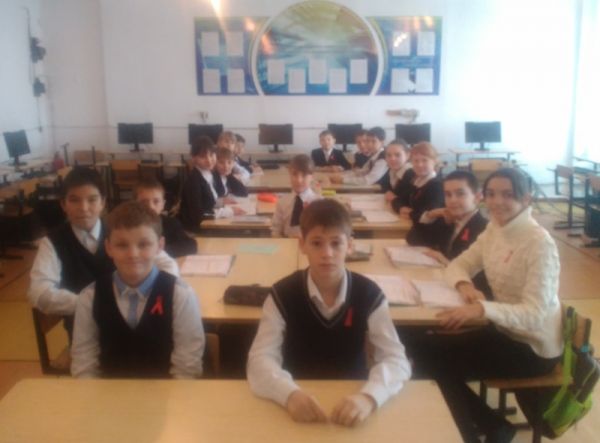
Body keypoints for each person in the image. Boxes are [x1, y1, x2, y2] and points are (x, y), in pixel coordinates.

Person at [421, 168, 563, 442]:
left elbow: (535, 314)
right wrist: (465, 285)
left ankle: (477, 431)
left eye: (507, 194)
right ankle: (492, 424)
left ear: (526, 198)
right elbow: (459, 265)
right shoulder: (494, 228)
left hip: (532, 347)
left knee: (433, 362)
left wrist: (482, 309)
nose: (497, 202)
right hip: (503, 330)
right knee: (422, 346)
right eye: (491, 194)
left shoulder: (539, 243)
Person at [248, 199, 411, 426]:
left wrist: (370, 396)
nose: (327, 253)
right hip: (296, 398)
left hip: (354, 399)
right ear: (302, 244)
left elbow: (396, 359)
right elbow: (260, 359)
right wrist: (288, 394)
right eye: (317, 243)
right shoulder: (282, 294)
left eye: (336, 243)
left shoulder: (369, 294)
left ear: (350, 245)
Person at [28, 167, 178, 339]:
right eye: (74, 200)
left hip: (134, 321)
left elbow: (167, 263)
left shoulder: (120, 229)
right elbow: (39, 292)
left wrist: (157, 294)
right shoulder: (52, 242)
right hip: (85, 331)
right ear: (63, 204)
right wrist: (92, 304)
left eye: (92, 200)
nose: (84, 208)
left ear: (103, 202)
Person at [71, 201, 205, 379]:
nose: (133, 254)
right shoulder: (89, 297)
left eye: (143, 244)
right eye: (122, 245)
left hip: (167, 392)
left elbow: (187, 368)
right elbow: (84, 364)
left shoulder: (181, 295)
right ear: (108, 248)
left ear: (159, 246)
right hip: (107, 392)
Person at [178, 135, 245, 232]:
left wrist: (221, 202)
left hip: (209, 223)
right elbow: (198, 215)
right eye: (203, 156)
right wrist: (228, 211)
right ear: (193, 158)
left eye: (211, 155)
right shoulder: (193, 181)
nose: (209, 160)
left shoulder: (209, 174)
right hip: (197, 229)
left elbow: (207, 202)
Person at [392, 142, 444, 248]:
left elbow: (428, 216)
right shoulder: (416, 181)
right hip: (414, 230)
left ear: (434, 162)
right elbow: (398, 200)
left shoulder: (437, 186)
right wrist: (401, 208)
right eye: (416, 161)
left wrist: (411, 214)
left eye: (424, 160)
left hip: (429, 239)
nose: (419, 165)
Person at [135, 179, 197, 258]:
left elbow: (191, 246)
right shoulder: (128, 227)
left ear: (163, 205)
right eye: (144, 202)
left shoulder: (171, 223)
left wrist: (158, 251)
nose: (151, 207)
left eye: (156, 201)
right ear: (135, 204)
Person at [271, 154, 320, 238]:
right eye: (294, 174)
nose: (298, 180)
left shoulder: (319, 204)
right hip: (286, 243)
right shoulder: (282, 202)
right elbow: (276, 230)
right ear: (289, 174)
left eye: (304, 175)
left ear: (312, 177)